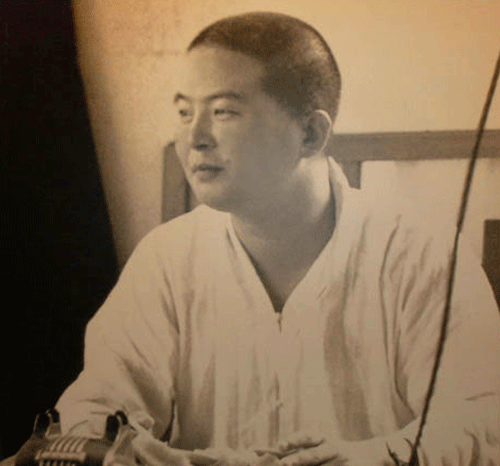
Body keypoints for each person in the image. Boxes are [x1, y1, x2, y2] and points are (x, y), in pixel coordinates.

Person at [51, 12, 500, 466]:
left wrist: (377, 457)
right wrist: (123, 452)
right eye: (185, 112)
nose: (195, 138)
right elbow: (93, 413)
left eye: (224, 112)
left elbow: (483, 422)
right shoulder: (166, 260)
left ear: (311, 134)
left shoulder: (421, 256)